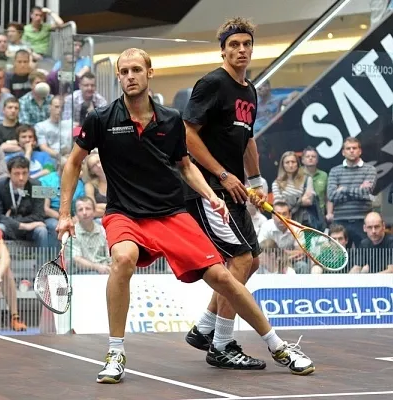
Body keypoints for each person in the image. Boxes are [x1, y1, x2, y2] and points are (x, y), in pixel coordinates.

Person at [56, 47, 314, 384]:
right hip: (125, 214)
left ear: (150, 73)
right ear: (118, 77)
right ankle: (115, 351)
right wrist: (64, 213)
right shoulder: (101, 119)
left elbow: (186, 165)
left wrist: (211, 195)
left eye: (136, 69)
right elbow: (73, 162)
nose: (130, 76)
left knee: (224, 277)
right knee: (123, 258)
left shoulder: (171, 119)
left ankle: (279, 346)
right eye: (124, 71)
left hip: (170, 214)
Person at [182, 16, 268, 369]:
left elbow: (247, 139)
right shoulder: (212, 84)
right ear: (223, 50)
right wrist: (222, 174)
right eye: (234, 45)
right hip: (206, 188)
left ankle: (205, 330)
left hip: (232, 188)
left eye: (246, 44)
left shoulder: (250, 91)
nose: (241, 50)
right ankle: (222, 344)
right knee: (240, 260)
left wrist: (258, 182)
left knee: (253, 260)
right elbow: (187, 134)